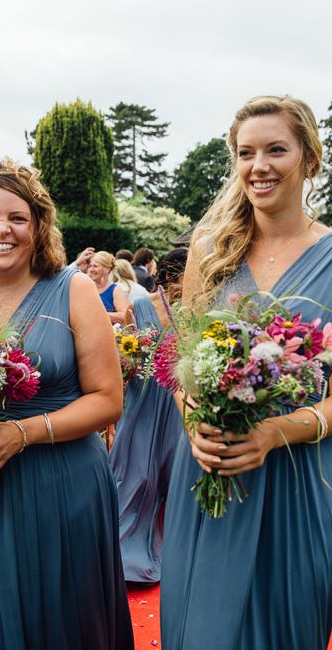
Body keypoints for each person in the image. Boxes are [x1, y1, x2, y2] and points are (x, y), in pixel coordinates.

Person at [160, 96, 332, 649]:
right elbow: (183, 368)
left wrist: (275, 432)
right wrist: (193, 425)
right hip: (211, 475)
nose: (260, 165)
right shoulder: (211, 251)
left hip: (303, 482)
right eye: (247, 153)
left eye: (277, 149)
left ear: (309, 159)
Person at [0, 159, 133, 649]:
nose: (3, 230)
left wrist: (19, 433)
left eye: (17, 218)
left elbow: (109, 401)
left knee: (63, 620)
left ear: (38, 226)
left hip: (62, 489)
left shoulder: (74, 290)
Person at [109, 248, 187, 584]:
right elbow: (122, 354)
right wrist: (131, 354)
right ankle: (121, 552)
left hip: (176, 400)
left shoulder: (198, 311)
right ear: (171, 276)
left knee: (173, 471)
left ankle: (173, 543)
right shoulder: (140, 307)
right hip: (143, 397)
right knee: (136, 471)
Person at [87, 251, 129, 323]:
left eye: (95, 266)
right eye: (90, 266)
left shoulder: (115, 290)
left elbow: (125, 316)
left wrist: (100, 315)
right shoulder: (86, 288)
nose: (91, 270)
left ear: (107, 269)